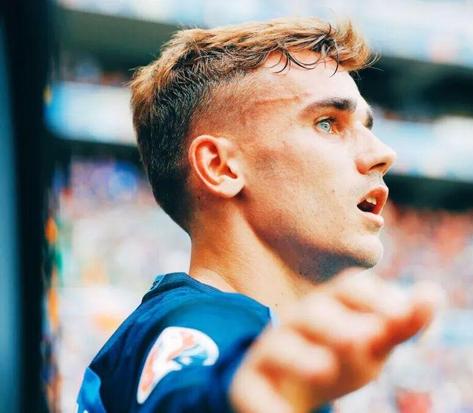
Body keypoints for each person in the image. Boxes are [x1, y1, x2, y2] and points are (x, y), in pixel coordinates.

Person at [77, 16, 437, 413]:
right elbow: (191, 395)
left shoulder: (233, 336)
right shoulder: (200, 325)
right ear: (220, 167)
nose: (383, 154)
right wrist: (232, 397)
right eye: (327, 123)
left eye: (367, 126)